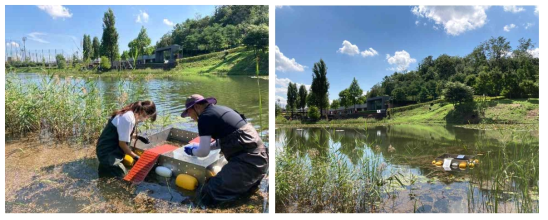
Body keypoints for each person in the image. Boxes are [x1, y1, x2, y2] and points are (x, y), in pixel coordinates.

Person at [180, 94, 268, 206]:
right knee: (237, 191)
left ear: (196, 107)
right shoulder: (222, 110)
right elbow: (228, 139)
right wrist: (206, 147)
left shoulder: (205, 117)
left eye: (189, 112)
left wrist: (193, 151)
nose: (190, 116)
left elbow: (203, 153)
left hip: (248, 164)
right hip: (262, 159)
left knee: (209, 192)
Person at [96, 100, 157, 178]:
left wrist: (138, 137)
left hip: (105, 148)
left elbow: (121, 133)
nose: (145, 120)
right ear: (144, 113)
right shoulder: (128, 119)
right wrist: (136, 157)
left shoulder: (129, 113)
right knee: (125, 178)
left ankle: (104, 172)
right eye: (148, 117)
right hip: (107, 152)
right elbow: (122, 144)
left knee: (105, 175)